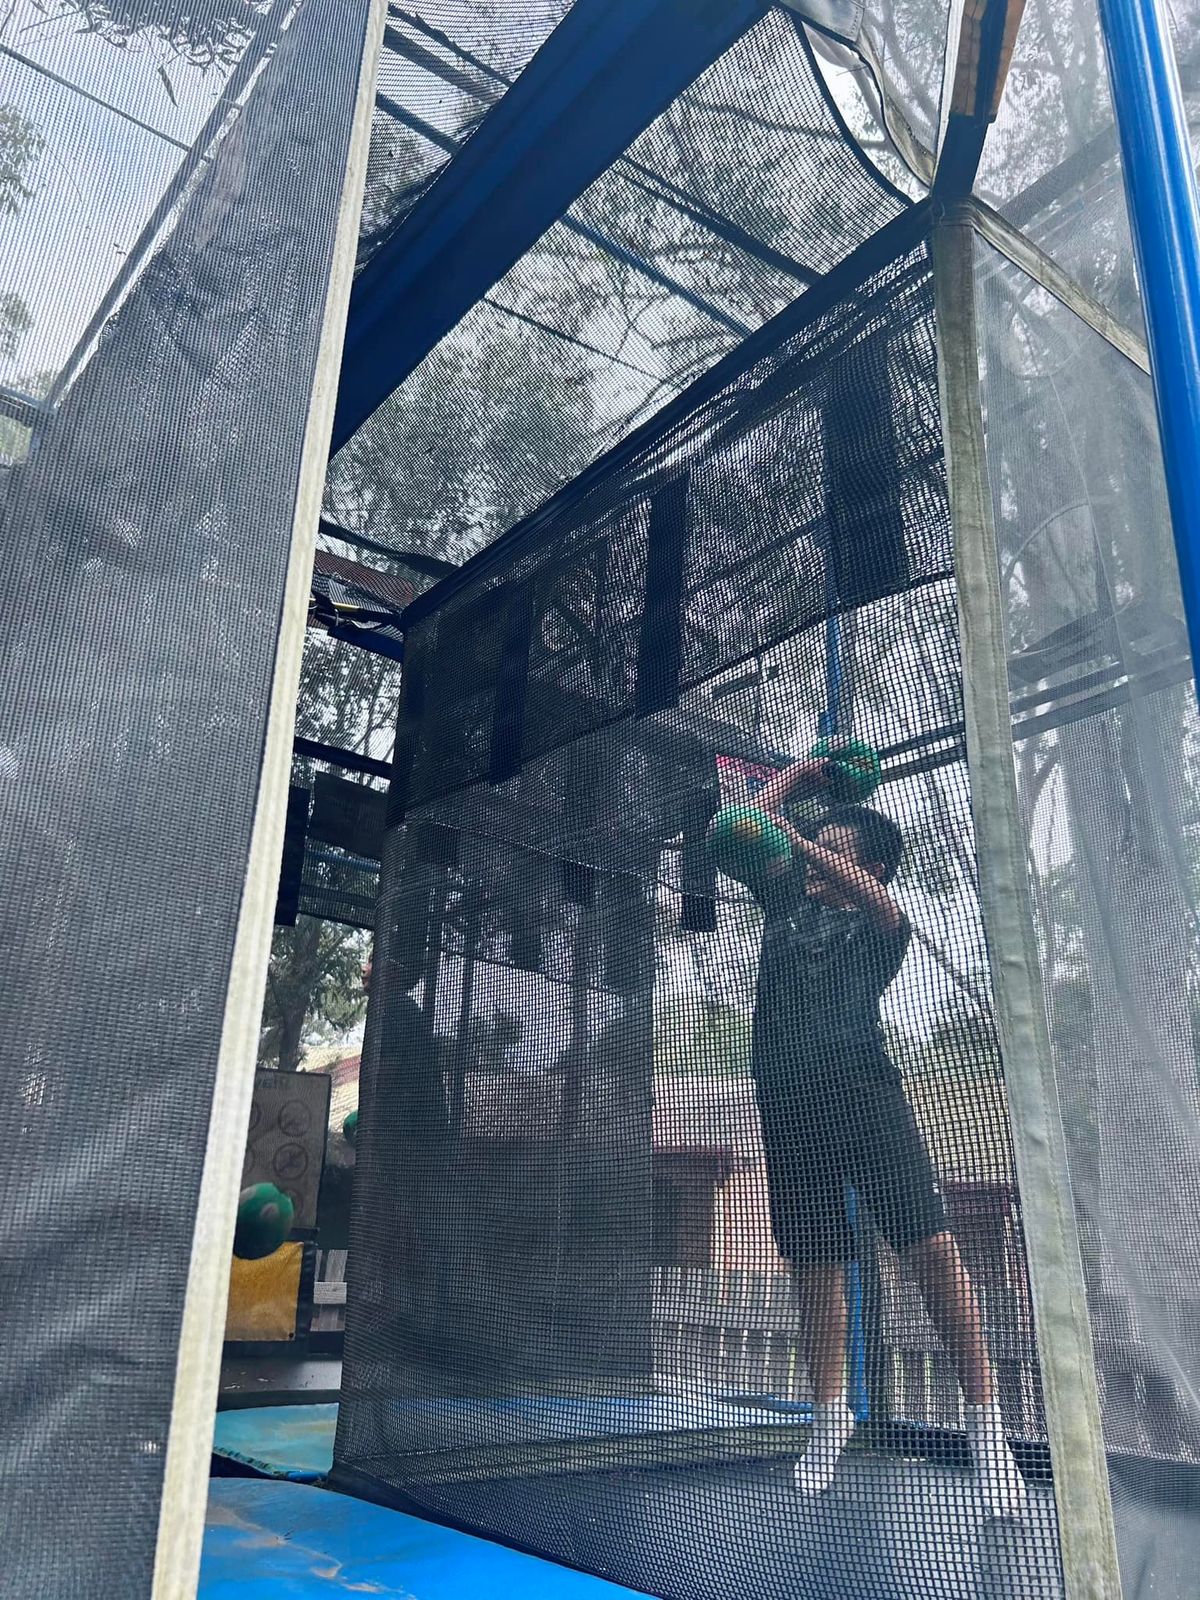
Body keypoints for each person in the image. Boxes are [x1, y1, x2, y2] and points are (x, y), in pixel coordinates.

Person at [737, 750, 1028, 1517]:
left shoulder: (881, 927)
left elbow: (883, 905)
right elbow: (743, 824)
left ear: (867, 867)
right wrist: (799, 779)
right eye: (812, 844)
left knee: (932, 1251)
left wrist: (797, 839)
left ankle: (987, 1431)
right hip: (788, 1106)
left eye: (831, 848)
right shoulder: (786, 898)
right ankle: (830, 1417)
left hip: (865, 1098)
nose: (810, 855)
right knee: (815, 1265)